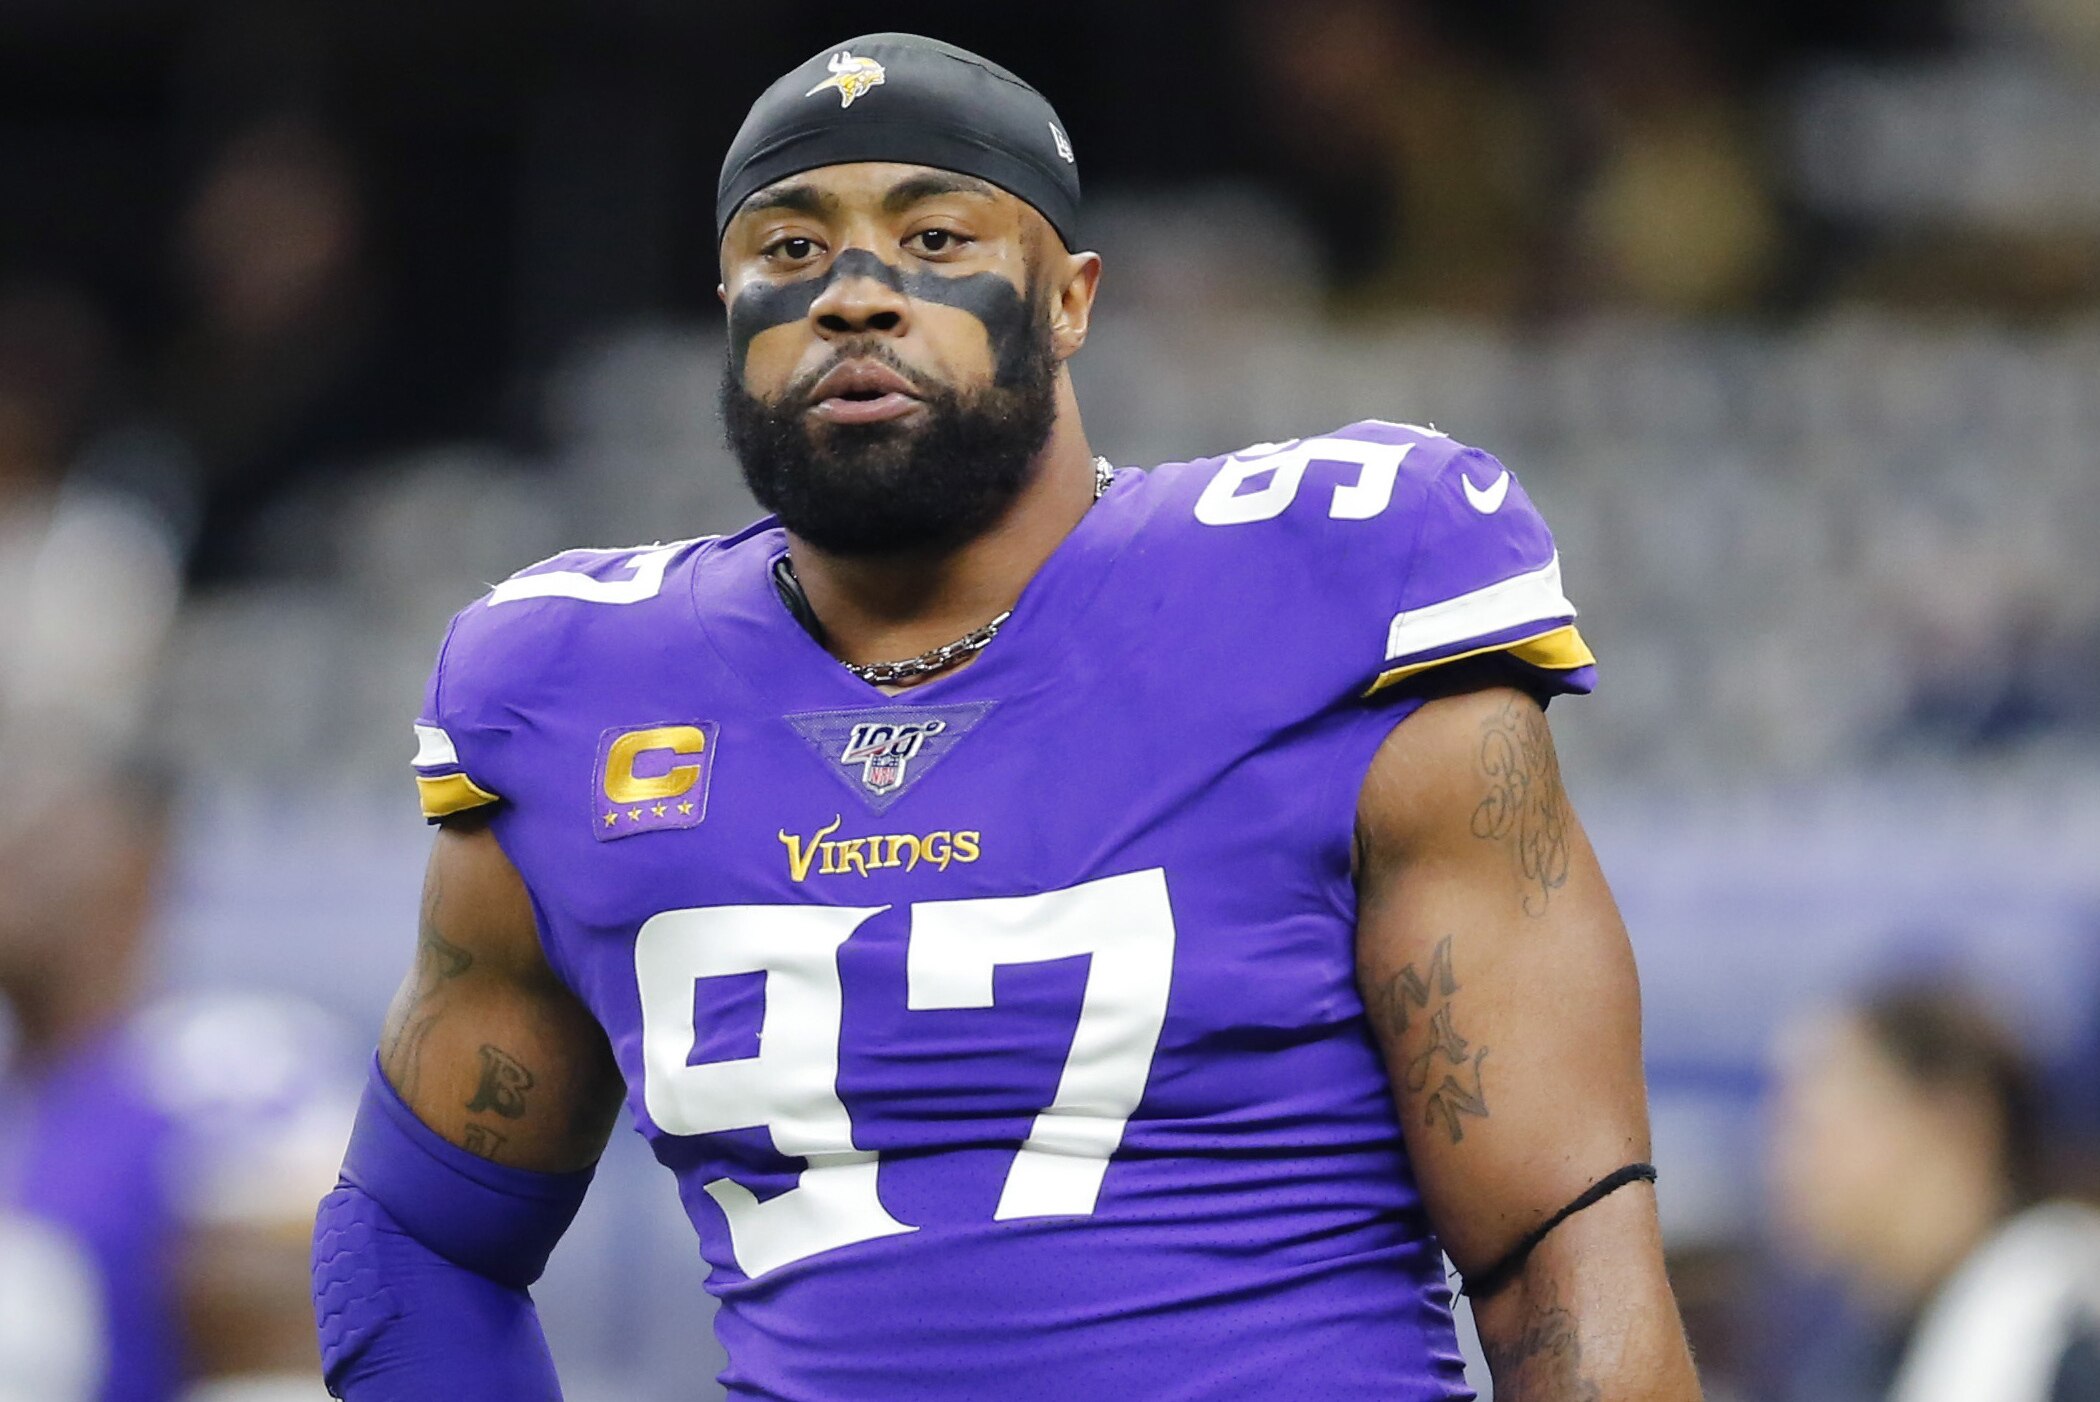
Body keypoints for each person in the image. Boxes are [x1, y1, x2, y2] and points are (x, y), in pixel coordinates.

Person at [312, 32, 1700, 1401]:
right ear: (726, 306)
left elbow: (1561, 1243)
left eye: (934, 238)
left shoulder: (1336, 584)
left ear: (1070, 299)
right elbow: (418, 1236)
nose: (855, 295)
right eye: (791, 248)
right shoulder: (573, 688)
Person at [0, 767, 354, 1402]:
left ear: (133, 871)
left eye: (36, 840)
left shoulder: (217, 1073)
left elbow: (302, 1331)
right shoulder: (22, 1096)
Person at [1768, 985, 2100, 1402]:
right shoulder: (1860, 1357)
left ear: (1954, 1119)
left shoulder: (2062, 1324)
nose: (1789, 1163)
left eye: (1819, 1128)